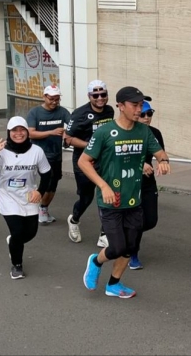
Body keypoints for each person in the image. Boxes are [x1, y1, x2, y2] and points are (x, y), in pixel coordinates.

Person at [80, 86, 171, 299]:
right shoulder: (104, 132)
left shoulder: (143, 131)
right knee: (117, 247)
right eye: (134, 105)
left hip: (134, 199)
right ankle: (96, 261)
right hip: (110, 200)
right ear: (120, 106)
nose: (139, 110)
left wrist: (163, 161)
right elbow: (84, 162)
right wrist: (103, 186)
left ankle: (113, 284)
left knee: (131, 247)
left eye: (141, 105)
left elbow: (159, 152)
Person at [0, 117, 52, 279]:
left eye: (22, 129)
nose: (19, 133)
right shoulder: (1, 150)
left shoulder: (36, 151)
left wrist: (40, 192)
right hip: (7, 197)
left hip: (29, 196)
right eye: (14, 130)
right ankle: (17, 265)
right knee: (17, 231)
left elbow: (47, 173)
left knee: (30, 233)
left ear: (27, 132)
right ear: (9, 132)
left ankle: (14, 242)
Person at [63, 80, 115, 246]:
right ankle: (74, 220)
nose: (100, 98)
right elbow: (68, 139)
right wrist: (92, 146)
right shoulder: (79, 114)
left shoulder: (109, 110)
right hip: (85, 161)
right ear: (89, 96)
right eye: (96, 95)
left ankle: (104, 233)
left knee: (106, 192)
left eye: (103, 94)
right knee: (86, 197)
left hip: (105, 161)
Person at [27, 84, 72, 225]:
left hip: (55, 155)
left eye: (57, 99)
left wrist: (67, 135)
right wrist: (51, 132)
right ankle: (30, 209)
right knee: (37, 182)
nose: (54, 102)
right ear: (44, 97)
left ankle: (43, 208)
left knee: (53, 184)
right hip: (37, 155)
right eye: (51, 99)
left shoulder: (62, 112)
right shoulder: (35, 112)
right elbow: (30, 133)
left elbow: (73, 126)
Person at [128, 100, 165, 270]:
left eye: (150, 114)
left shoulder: (155, 133)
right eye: (143, 114)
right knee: (135, 220)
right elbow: (117, 159)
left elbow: (161, 153)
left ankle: (126, 235)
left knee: (150, 221)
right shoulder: (125, 133)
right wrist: (139, 164)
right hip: (126, 182)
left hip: (148, 183)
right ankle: (132, 253)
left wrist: (163, 162)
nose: (146, 117)